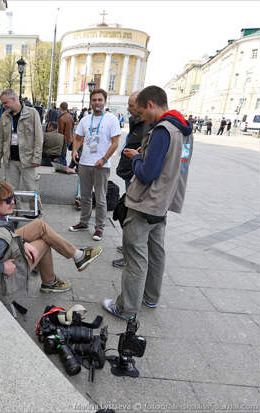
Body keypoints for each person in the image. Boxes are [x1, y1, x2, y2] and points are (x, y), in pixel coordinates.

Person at [102, 86, 193, 319]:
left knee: (135, 258)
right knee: (156, 252)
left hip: (145, 203)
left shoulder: (163, 130)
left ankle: (126, 308)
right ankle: (151, 298)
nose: (141, 118)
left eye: (141, 113)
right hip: (164, 202)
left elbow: (146, 173)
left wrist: (137, 158)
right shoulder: (184, 130)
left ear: (151, 104)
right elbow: (178, 167)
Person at [0, 178, 103, 292]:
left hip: (2, 247)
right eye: (7, 200)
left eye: (12, 197)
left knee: (39, 226)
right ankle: (50, 281)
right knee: (44, 242)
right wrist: (2, 267)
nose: (13, 202)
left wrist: (22, 242)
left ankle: (78, 256)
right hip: (5, 276)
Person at [69, 88, 121, 241]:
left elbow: (115, 143)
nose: (97, 103)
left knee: (100, 198)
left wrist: (104, 159)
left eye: (100, 100)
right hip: (85, 163)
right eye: (94, 100)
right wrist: (74, 151)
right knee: (84, 196)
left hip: (101, 165)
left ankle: (99, 228)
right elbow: (77, 138)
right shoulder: (85, 120)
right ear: (90, 102)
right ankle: (84, 222)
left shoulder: (112, 119)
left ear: (105, 101)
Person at [112, 91, 151, 268]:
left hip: (137, 178)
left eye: (131, 105)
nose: (128, 109)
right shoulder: (137, 123)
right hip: (131, 174)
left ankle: (131, 255)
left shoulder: (149, 128)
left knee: (132, 217)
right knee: (129, 214)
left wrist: (135, 158)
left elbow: (147, 162)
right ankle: (130, 250)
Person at [0, 88, 43, 195]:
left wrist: (36, 158)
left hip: (28, 160)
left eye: (5, 103)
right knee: (10, 190)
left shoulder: (32, 113)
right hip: (10, 160)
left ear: (13, 99)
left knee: (32, 189)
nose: (4, 106)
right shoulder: (5, 116)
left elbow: (39, 138)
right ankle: (15, 211)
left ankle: (35, 211)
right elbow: (0, 139)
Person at [57, 102, 76, 173]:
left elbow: (60, 131)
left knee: (62, 155)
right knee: (63, 154)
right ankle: (64, 167)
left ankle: (63, 169)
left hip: (63, 139)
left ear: (60, 107)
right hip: (70, 138)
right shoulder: (70, 116)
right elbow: (72, 128)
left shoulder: (61, 118)